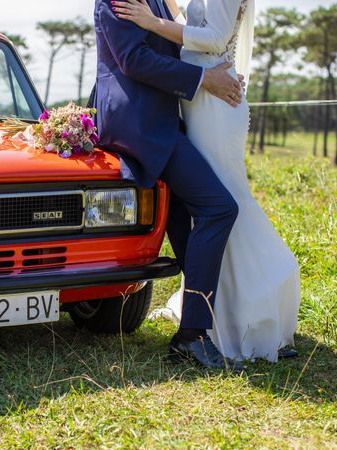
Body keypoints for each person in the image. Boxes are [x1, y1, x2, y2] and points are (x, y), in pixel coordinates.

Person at [112, 0, 301, 362]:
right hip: (197, 99)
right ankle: (215, 315)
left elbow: (214, 38)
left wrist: (153, 23)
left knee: (223, 200)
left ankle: (241, 315)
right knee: (209, 204)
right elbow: (195, 26)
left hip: (212, 102)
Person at [93, 0, 248, 371]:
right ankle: (191, 335)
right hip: (139, 123)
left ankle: (208, 325)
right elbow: (134, 60)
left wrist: (216, 68)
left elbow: (183, 41)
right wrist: (203, 80)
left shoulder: (158, 0)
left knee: (185, 222)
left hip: (166, 118)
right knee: (218, 208)